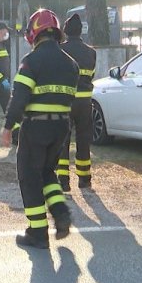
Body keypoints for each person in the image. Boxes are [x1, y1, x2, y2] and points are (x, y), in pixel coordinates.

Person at [0, 9, 79, 249]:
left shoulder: (31, 61)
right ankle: (61, 213)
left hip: (36, 127)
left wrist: (7, 126)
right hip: (61, 128)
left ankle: (37, 233)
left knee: (29, 177)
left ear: (34, 33)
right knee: (46, 173)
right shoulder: (71, 64)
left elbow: (19, 97)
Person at [57, 13, 97, 191]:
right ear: (81, 31)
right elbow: (92, 75)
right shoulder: (91, 52)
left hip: (65, 102)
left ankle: (63, 181)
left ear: (65, 31)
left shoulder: (59, 50)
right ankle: (84, 179)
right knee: (83, 140)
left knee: (63, 141)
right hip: (85, 103)